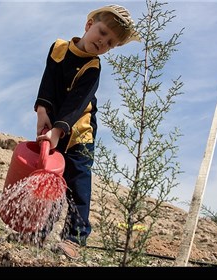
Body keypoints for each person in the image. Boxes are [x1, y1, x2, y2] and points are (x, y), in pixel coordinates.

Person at [34, 4, 140, 260]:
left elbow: (76, 104)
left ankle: (74, 239)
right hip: (54, 130)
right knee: (48, 181)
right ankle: (38, 232)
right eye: (102, 32)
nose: (103, 42)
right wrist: (42, 110)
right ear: (89, 25)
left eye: (110, 43)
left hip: (79, 135)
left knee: (77, 185)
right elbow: (48, 82)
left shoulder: (92, 67)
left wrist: (59, 131)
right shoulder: (58, 48)